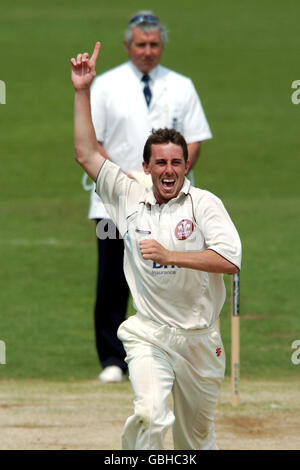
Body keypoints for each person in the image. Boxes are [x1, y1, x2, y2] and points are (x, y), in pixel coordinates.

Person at [71, 42, 242, 450]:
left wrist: (171, 256)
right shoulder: (128, 195)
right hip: (149, 333)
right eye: (160, 163)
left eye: (176, 163)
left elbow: (229, 261)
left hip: (200, 338)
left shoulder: (205, 204)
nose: (169, 170)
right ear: (146, 167)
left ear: (187, 166)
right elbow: (85, 153)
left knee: (195, 440)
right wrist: (82, 91)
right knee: (149, 414)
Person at [86, 10, 213, 383]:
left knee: (171, 274)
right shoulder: (105, 85)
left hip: (171, 200)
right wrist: (127, 182)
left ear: (162, 46)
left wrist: (168, 176)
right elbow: (94, 143)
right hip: (115, 199)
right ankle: (112, 359)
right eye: (140, 44)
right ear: (128, 45)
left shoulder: (182, 85)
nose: (147, 51)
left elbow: (194, 139)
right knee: (112, 278)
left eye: (154, 44)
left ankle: (170, 352)